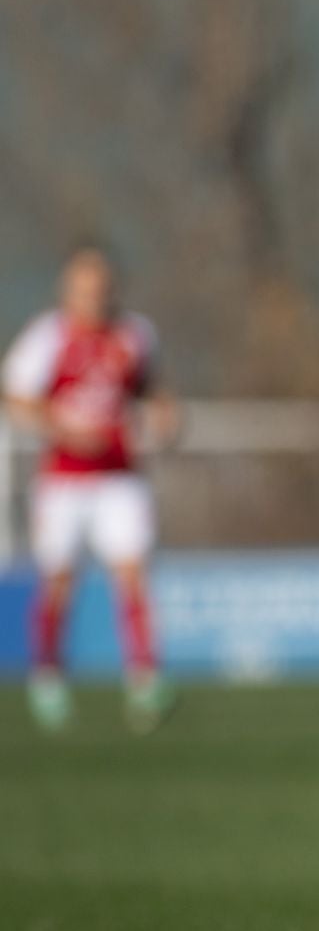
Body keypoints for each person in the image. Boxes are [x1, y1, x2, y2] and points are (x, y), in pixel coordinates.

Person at [3, 247, 180, 733]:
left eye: (100, 289)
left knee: (134, 574)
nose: (93, 299)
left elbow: (150, 388)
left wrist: (165, 415)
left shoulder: (135, 335)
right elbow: (14, 394)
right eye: (84, 289)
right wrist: (61, 427)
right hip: (64, 480)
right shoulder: (48, 336)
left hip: (120, 476)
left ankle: (145, 682)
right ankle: (48, 677)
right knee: (59, 582)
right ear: (69, 291)